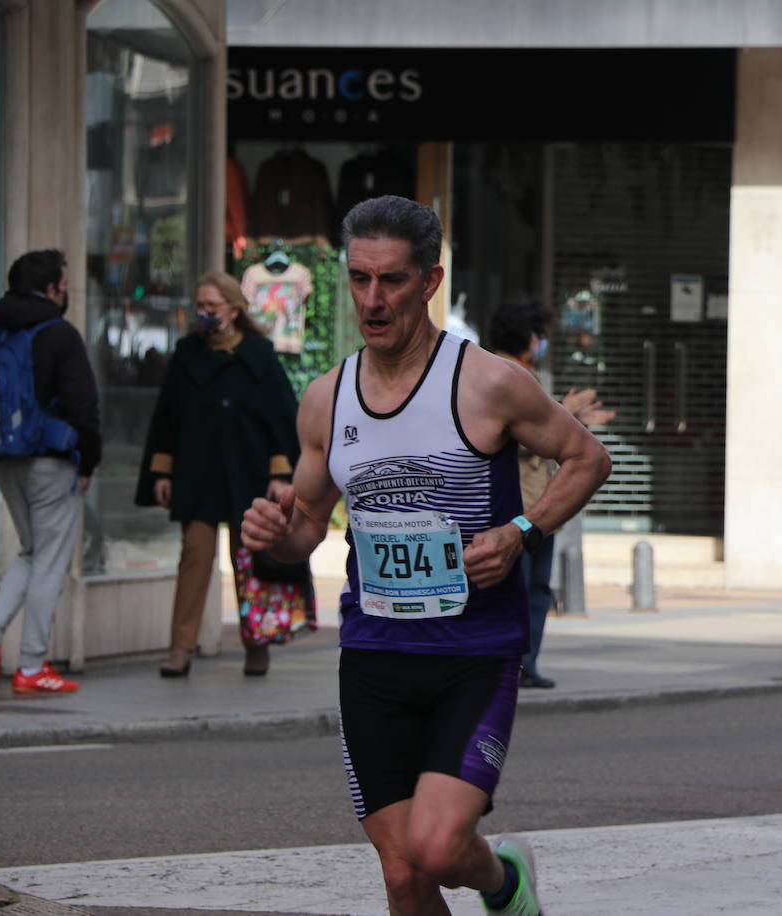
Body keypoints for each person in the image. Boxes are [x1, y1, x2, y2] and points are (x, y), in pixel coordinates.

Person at [242, 195, 610, 915]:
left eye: (392, 281)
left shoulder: (486, 382)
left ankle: (502, 880)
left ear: (430, 282)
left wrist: (521, 533)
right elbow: (308, 522)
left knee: (439, 849)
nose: (373, 300)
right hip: (374, 653)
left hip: (474, 652)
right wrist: (273, 534)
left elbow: (585, 458)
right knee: (404, 872)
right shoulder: (326, 400)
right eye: (359, 279)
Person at [136, 272, 305, 677]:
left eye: (212, 306)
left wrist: (280, 473)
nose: (204, 313)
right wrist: (163, 472)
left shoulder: (260, 356)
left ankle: (256, 644)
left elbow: (284, 419)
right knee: (194, 555)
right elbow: (167, 417)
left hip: (249, 474)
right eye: (200, 306)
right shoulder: (186, 354)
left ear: (233, 309)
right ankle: (180, 648)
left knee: (250, 558)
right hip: (197, 473)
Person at [0, 250, 101, 695]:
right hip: (52, 461)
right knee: (51, 561)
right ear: (54, 287)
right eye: (65, 284)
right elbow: (82, 405)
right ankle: (33, 664)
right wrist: (88, 461)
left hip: (6, 459)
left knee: (32, 552)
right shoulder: (59, 334)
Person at [488, 300, 614, 689]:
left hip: (542, 506)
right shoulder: (498, 373)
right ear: (524, 335)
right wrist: (565, 411)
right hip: (515, 507)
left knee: (537, 589)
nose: (541, 342)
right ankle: (509, 664)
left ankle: (528, 663)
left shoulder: (527, 374)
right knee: (517, 589)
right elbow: (512, 437)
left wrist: (570, 418)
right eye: (538, 334)